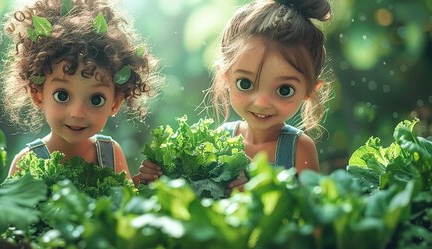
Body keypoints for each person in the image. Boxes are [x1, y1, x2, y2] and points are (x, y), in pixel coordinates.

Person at [133, 0, 332, 191]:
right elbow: (196, 196)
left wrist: (261, 196)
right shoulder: (220, 139)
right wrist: (159, 177)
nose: (262, 102)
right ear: (225, 76)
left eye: (284, 90)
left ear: (310, 90)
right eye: (245, 83)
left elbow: (311, 214)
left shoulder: (299, 148)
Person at [0, 0, 162, 178]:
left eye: (96, 99)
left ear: (115, 103)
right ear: (38, 95)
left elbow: (122, 202)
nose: (77, 113)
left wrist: (142, 184)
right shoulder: (27, 163)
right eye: (62, 95)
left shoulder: (110, 154)